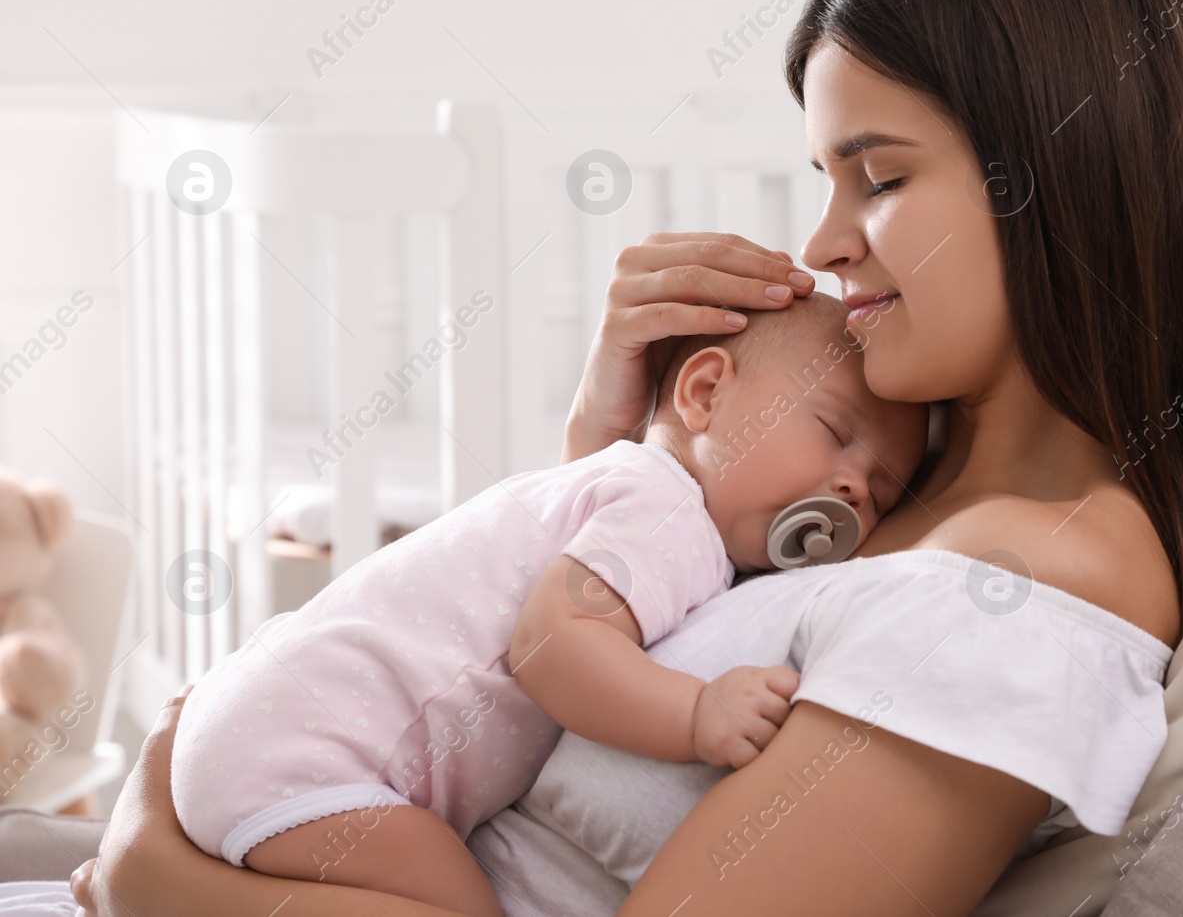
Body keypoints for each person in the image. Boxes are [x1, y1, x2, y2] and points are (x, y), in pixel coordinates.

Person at [70, 0, 1183, 917]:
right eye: (826, 179)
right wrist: (624, 453)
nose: (825, 241)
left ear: (1055, 176)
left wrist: (150, 863)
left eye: (884, 177)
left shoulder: (1017, 593)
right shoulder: (913, 493)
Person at [166, 295, 927, 917]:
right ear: (705, 391)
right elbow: (551, 644)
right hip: (311, 762)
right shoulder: (669, 515)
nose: (854, 485)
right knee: (461, 902)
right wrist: (696, 711)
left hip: (254, 724)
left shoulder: (621, 489)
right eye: (834, 433)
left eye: (882, 487)